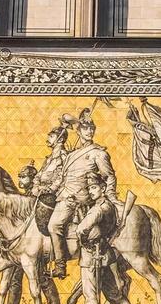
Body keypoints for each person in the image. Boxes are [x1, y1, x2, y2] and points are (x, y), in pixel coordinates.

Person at [70, 175, 143, 304]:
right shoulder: (109, 206)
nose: (91, 191)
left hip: (92, 258)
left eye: (94, 188)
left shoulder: (98, 209)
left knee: (91, 296)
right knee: (114, 295)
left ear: (103, 189)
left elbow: (81, 229)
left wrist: (83, 238)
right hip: (106, 255)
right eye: (89, 189)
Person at [48, 110, 117, 279]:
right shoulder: (71, 154)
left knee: (53, 225)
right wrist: (50, 189)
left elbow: (109, 177)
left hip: (78, 200)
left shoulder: (98, 153)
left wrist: (109, 196)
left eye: (91, 128)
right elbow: (63, 178)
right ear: (78, 131)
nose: (89, 131)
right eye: (85, 128)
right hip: (63, 195)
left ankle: (60, 265)